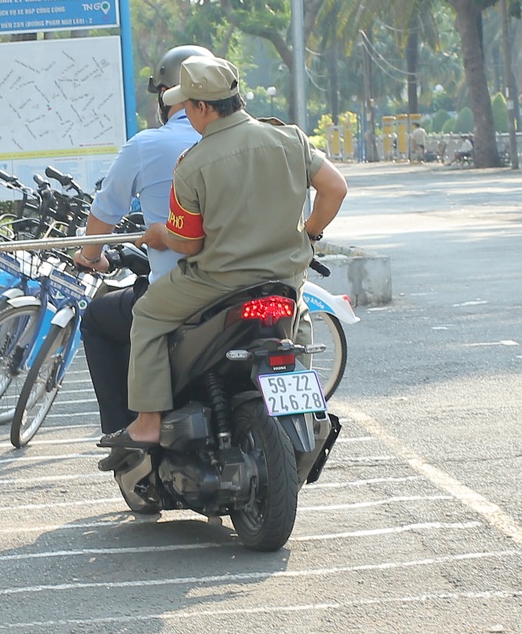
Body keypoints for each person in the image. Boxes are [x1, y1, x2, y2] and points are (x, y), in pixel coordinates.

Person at [100, 55, 348, 450]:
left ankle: (147, 423)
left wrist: (160, 235)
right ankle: (301, 412)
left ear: (202, 108)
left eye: (188, 106)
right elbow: (335, 188)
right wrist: (309, 235)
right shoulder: (289, 139)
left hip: (219, 283)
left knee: (146, 314)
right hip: (283, 280)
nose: (186, 114)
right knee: (297, 327)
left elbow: (190, 243)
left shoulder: (193, 164)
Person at [73, 45, 214, 435]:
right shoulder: (264, 141)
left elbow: (106, 216)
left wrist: (92, 255)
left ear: (169, 99)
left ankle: (131, 431)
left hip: (189, 290)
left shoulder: (156, 147)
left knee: (104, 320)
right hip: (259, 281)